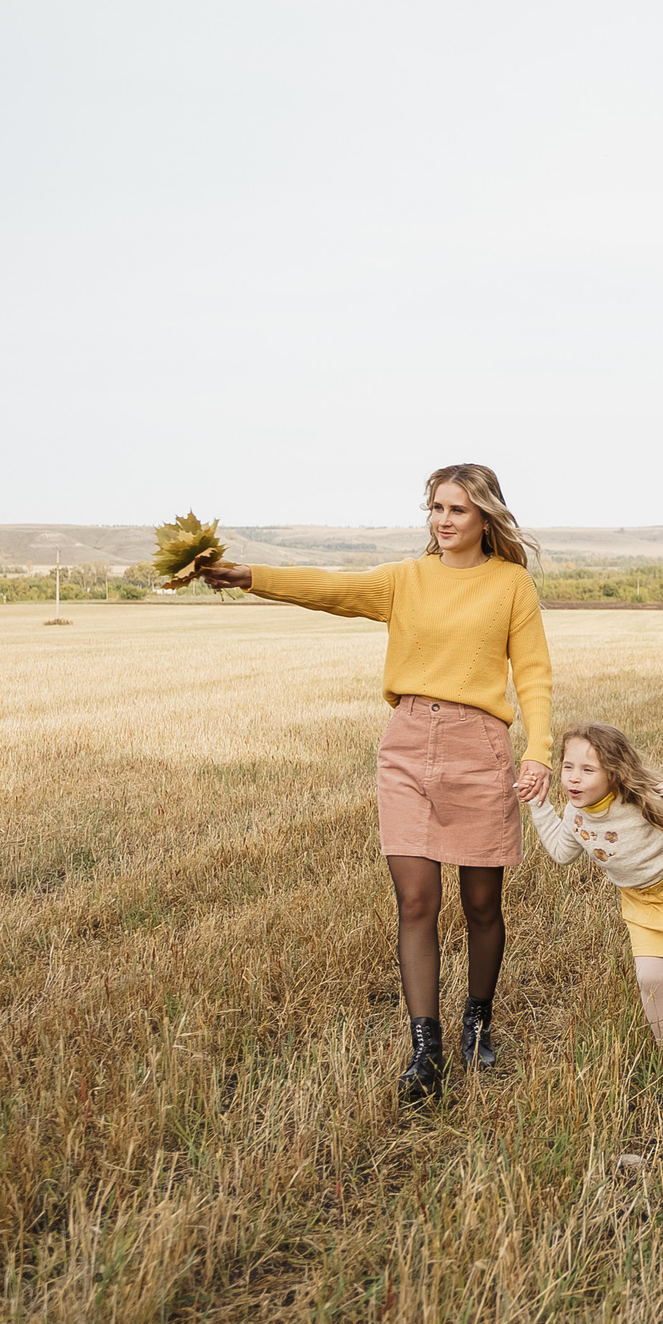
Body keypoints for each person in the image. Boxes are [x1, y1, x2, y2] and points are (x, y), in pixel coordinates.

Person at [197, 464, 552, 1104]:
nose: (443, 521)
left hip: (480, 748)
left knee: (480, 904)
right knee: (416, 901)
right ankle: (427, 1048)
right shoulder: (403, 581)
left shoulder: (511, 586)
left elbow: (533, 674)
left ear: (485, 518)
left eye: (458, 510)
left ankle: (477, 1021)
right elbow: (326, 588)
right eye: (436, 508)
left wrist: (539, 751)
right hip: (409, 744)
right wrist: (250, 577)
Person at [527, 723, 663, 1062]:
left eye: (587, 770)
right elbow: (562, 854)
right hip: (640, 900)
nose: (573, 778)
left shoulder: (641, 798)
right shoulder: (576, 815)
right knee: (650, 979)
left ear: (614, 773)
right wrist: (538, 805)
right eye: (568, 767)